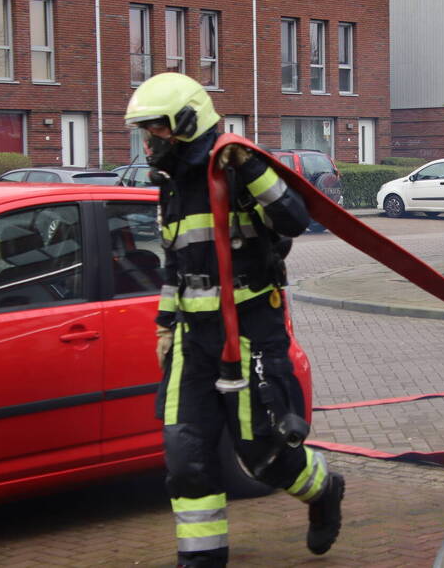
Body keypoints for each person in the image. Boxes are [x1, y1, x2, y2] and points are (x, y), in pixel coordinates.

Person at [125, 73, 344, 567]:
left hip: (247, 334)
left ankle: (324, 488)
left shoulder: (236, 168)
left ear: (184, 125)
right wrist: (164, 324)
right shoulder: (172, 186)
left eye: (154, 130)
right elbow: (174, 266)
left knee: (262, 455)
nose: (147, 142)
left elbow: (293, 219)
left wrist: (248, 167)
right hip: (192, 339)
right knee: (186, 455)